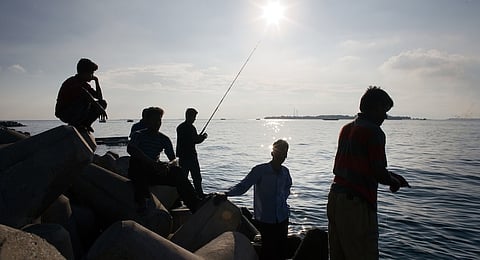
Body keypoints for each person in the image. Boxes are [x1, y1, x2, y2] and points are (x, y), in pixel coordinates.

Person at [327, 86, 410, 260]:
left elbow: (362, 166)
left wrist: (392, 176)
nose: (385, 116)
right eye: (384, 110)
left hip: (335, 198)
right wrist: (393, 182)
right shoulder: (374, 132)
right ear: (375, 107)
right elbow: (378, 172)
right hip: (356, 205)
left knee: (338, 254)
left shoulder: (347, 128)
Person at [223, 139, 292, 260]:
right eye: (280, 152)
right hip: (266, 219)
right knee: (267, 251)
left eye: (285, 152)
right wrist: (226, 193)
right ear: (272, 153)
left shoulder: (285, 172)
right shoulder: (260, 170)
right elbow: (243, 186)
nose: (282, 155)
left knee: (282, 251)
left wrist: (283, 201)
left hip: (282, 217)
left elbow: (287, 187)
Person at [127, 107, 202, 213]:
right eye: (154, 120)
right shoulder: (138, 135)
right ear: (147, 121)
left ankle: (194, 203)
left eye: (159, 120)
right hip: (140, 171)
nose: (157, 123)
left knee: (178, 171)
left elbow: (174, 159)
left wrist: (167, 165)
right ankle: (142, 201)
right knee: (137, 163)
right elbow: (131, 149)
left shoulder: (164, 139)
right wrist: (152, 163)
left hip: (154, 172)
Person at [55, 58, 108, 132]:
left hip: (76, 110)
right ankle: (75, 124)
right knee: (86, 99)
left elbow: (99, 98)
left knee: (102, 103)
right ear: (84, 73)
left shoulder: (85, 84)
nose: (92, 75)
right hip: (64, 113)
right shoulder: (72, 81)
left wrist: (96, 81)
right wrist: (99, 108)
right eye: (91, 73)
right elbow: (85, 94)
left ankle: (85, 124)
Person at [176, 108, 208, 198]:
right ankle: (199, 194)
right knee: (196, 177)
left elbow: (192, 139)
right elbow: (195, 140)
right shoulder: (190, 127)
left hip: (182, 156)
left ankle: (181, 196)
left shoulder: (180, 127)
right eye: (194, 117)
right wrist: (203, 137)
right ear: (188, 116)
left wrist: (199, 137)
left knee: (183, 178)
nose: (194, 119)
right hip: (190, 156)